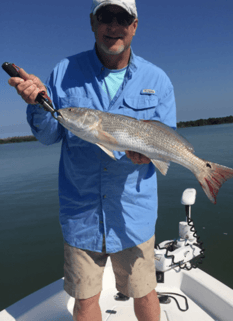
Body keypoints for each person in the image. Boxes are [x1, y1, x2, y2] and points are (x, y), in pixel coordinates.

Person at [8, 0, 177, 320]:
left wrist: (151, 156)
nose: (113, 25)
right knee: (85, 300)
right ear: (92, 22)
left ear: (135, 25)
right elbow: (48, 136)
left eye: (122, 17)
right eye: (105, 16)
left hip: (133, 213)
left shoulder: (158, 80)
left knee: (145, 291)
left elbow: (165, 141)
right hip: (80, 214)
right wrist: (36, 104)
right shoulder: (63, 72)